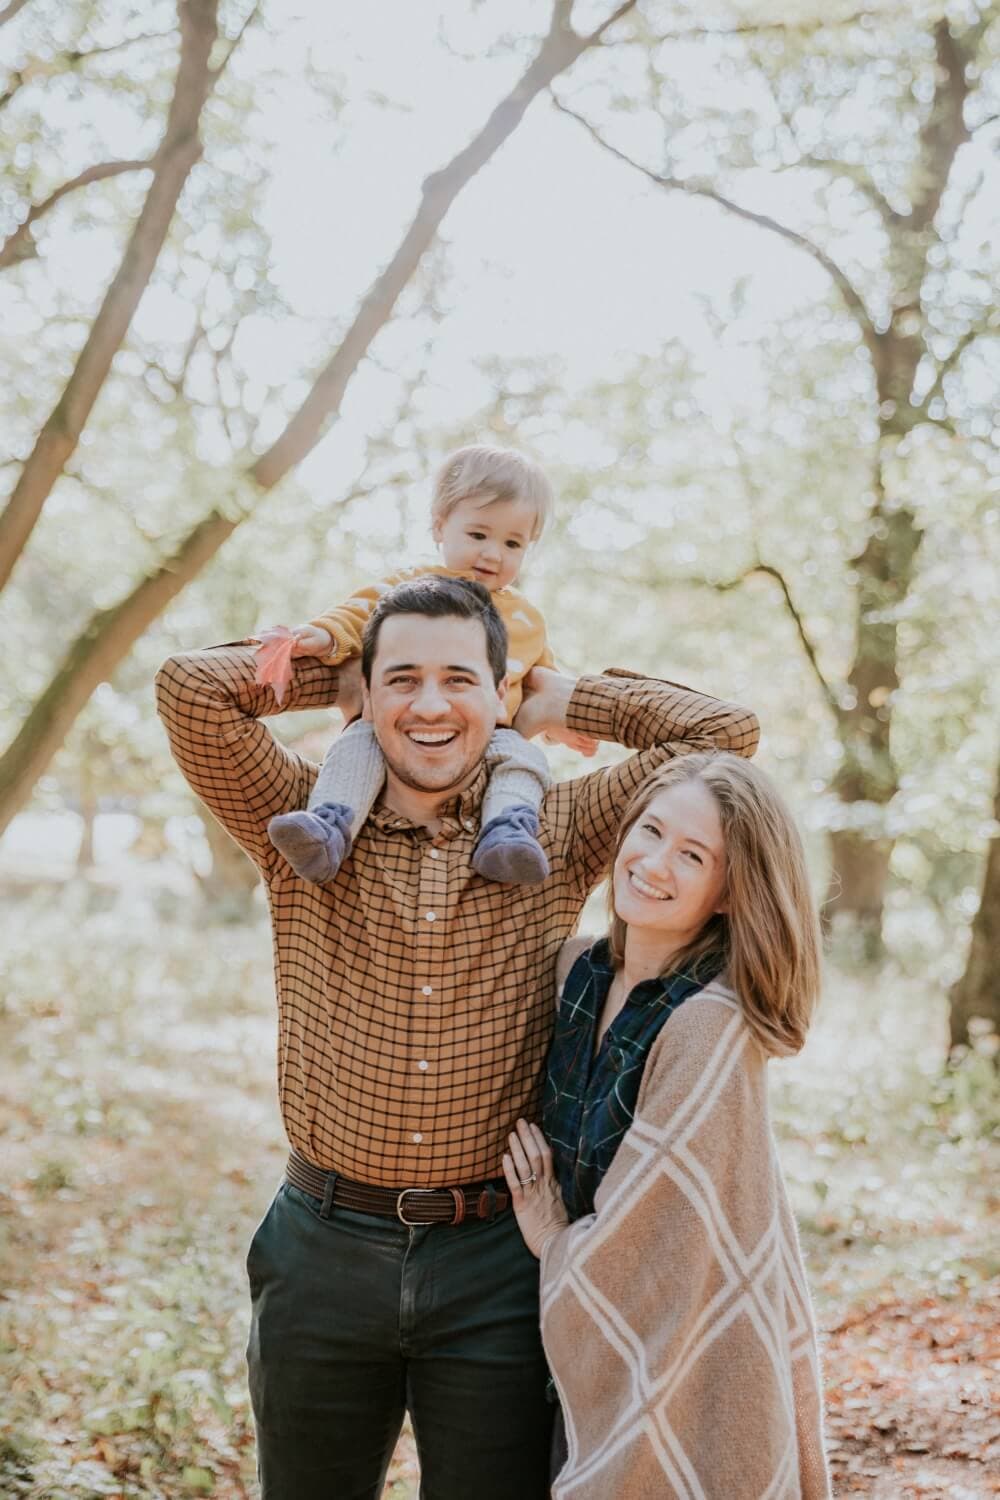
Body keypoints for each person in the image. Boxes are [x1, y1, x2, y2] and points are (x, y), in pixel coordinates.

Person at [154, 576, 759, 1500]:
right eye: (402, 679)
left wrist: (565, 699)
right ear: (369, 690)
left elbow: (727, 738)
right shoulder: (303, 823)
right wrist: (336, 667)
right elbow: (191, 688)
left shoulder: (559, 826)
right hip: (322, 1252)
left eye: (458, 679)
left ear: (498, 691)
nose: (430, 705)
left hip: (496, 1264)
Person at [502, 753, 832, 1499]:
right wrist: (521, 704)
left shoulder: (708, 1025)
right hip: (553, 1331)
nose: (653, 864)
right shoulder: (575, 970)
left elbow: (667, 1242)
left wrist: (553, 1236)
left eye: (693, 855)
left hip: (665, 1346)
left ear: (726, 892)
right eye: (649, 831)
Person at [263, 444, 596, 888]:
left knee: (525, 759)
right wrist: (324, 637)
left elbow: (543, 683)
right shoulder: (411, 588)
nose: (493, 555)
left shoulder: (527, 619)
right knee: (355, 746)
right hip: (396, 736)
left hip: (491, 738)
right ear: (440, 526)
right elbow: (356, 612)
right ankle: (329, 826)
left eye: (512, 543)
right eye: (478, 535)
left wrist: (562, 727)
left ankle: (507, 831)